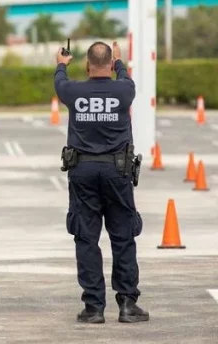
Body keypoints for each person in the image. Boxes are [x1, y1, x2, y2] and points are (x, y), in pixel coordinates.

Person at [54, 41, 149, 324]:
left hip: (82, 172)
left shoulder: (73, 91)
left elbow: (60, 80)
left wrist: (61, 62)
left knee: (86, 238)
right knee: (123, 237)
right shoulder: (123, 90)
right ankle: (128, 304)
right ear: (109, 64)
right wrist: (120, 61)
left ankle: (94, 307)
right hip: (117, 172)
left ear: (87, 64)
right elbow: (126, 77)